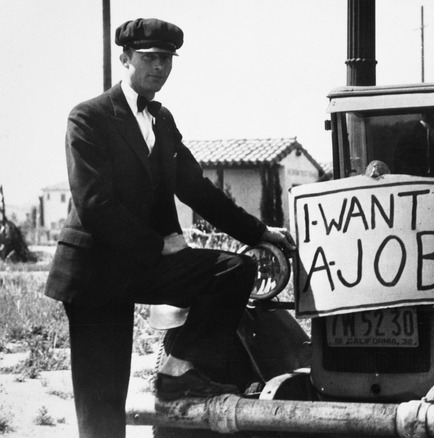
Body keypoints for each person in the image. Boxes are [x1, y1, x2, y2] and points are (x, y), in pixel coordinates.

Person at [44, 18, 296, 438]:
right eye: (149, 58)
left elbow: (197, 189)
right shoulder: (88, 116)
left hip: (140, 263)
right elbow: (93, 204)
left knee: (234, 270)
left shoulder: (162, 120)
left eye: (166, 58)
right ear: (125, 59)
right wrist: (157, 244)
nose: (159, 67)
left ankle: (177, 372)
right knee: (103, 400)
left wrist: (258, 233)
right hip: (96, 272)